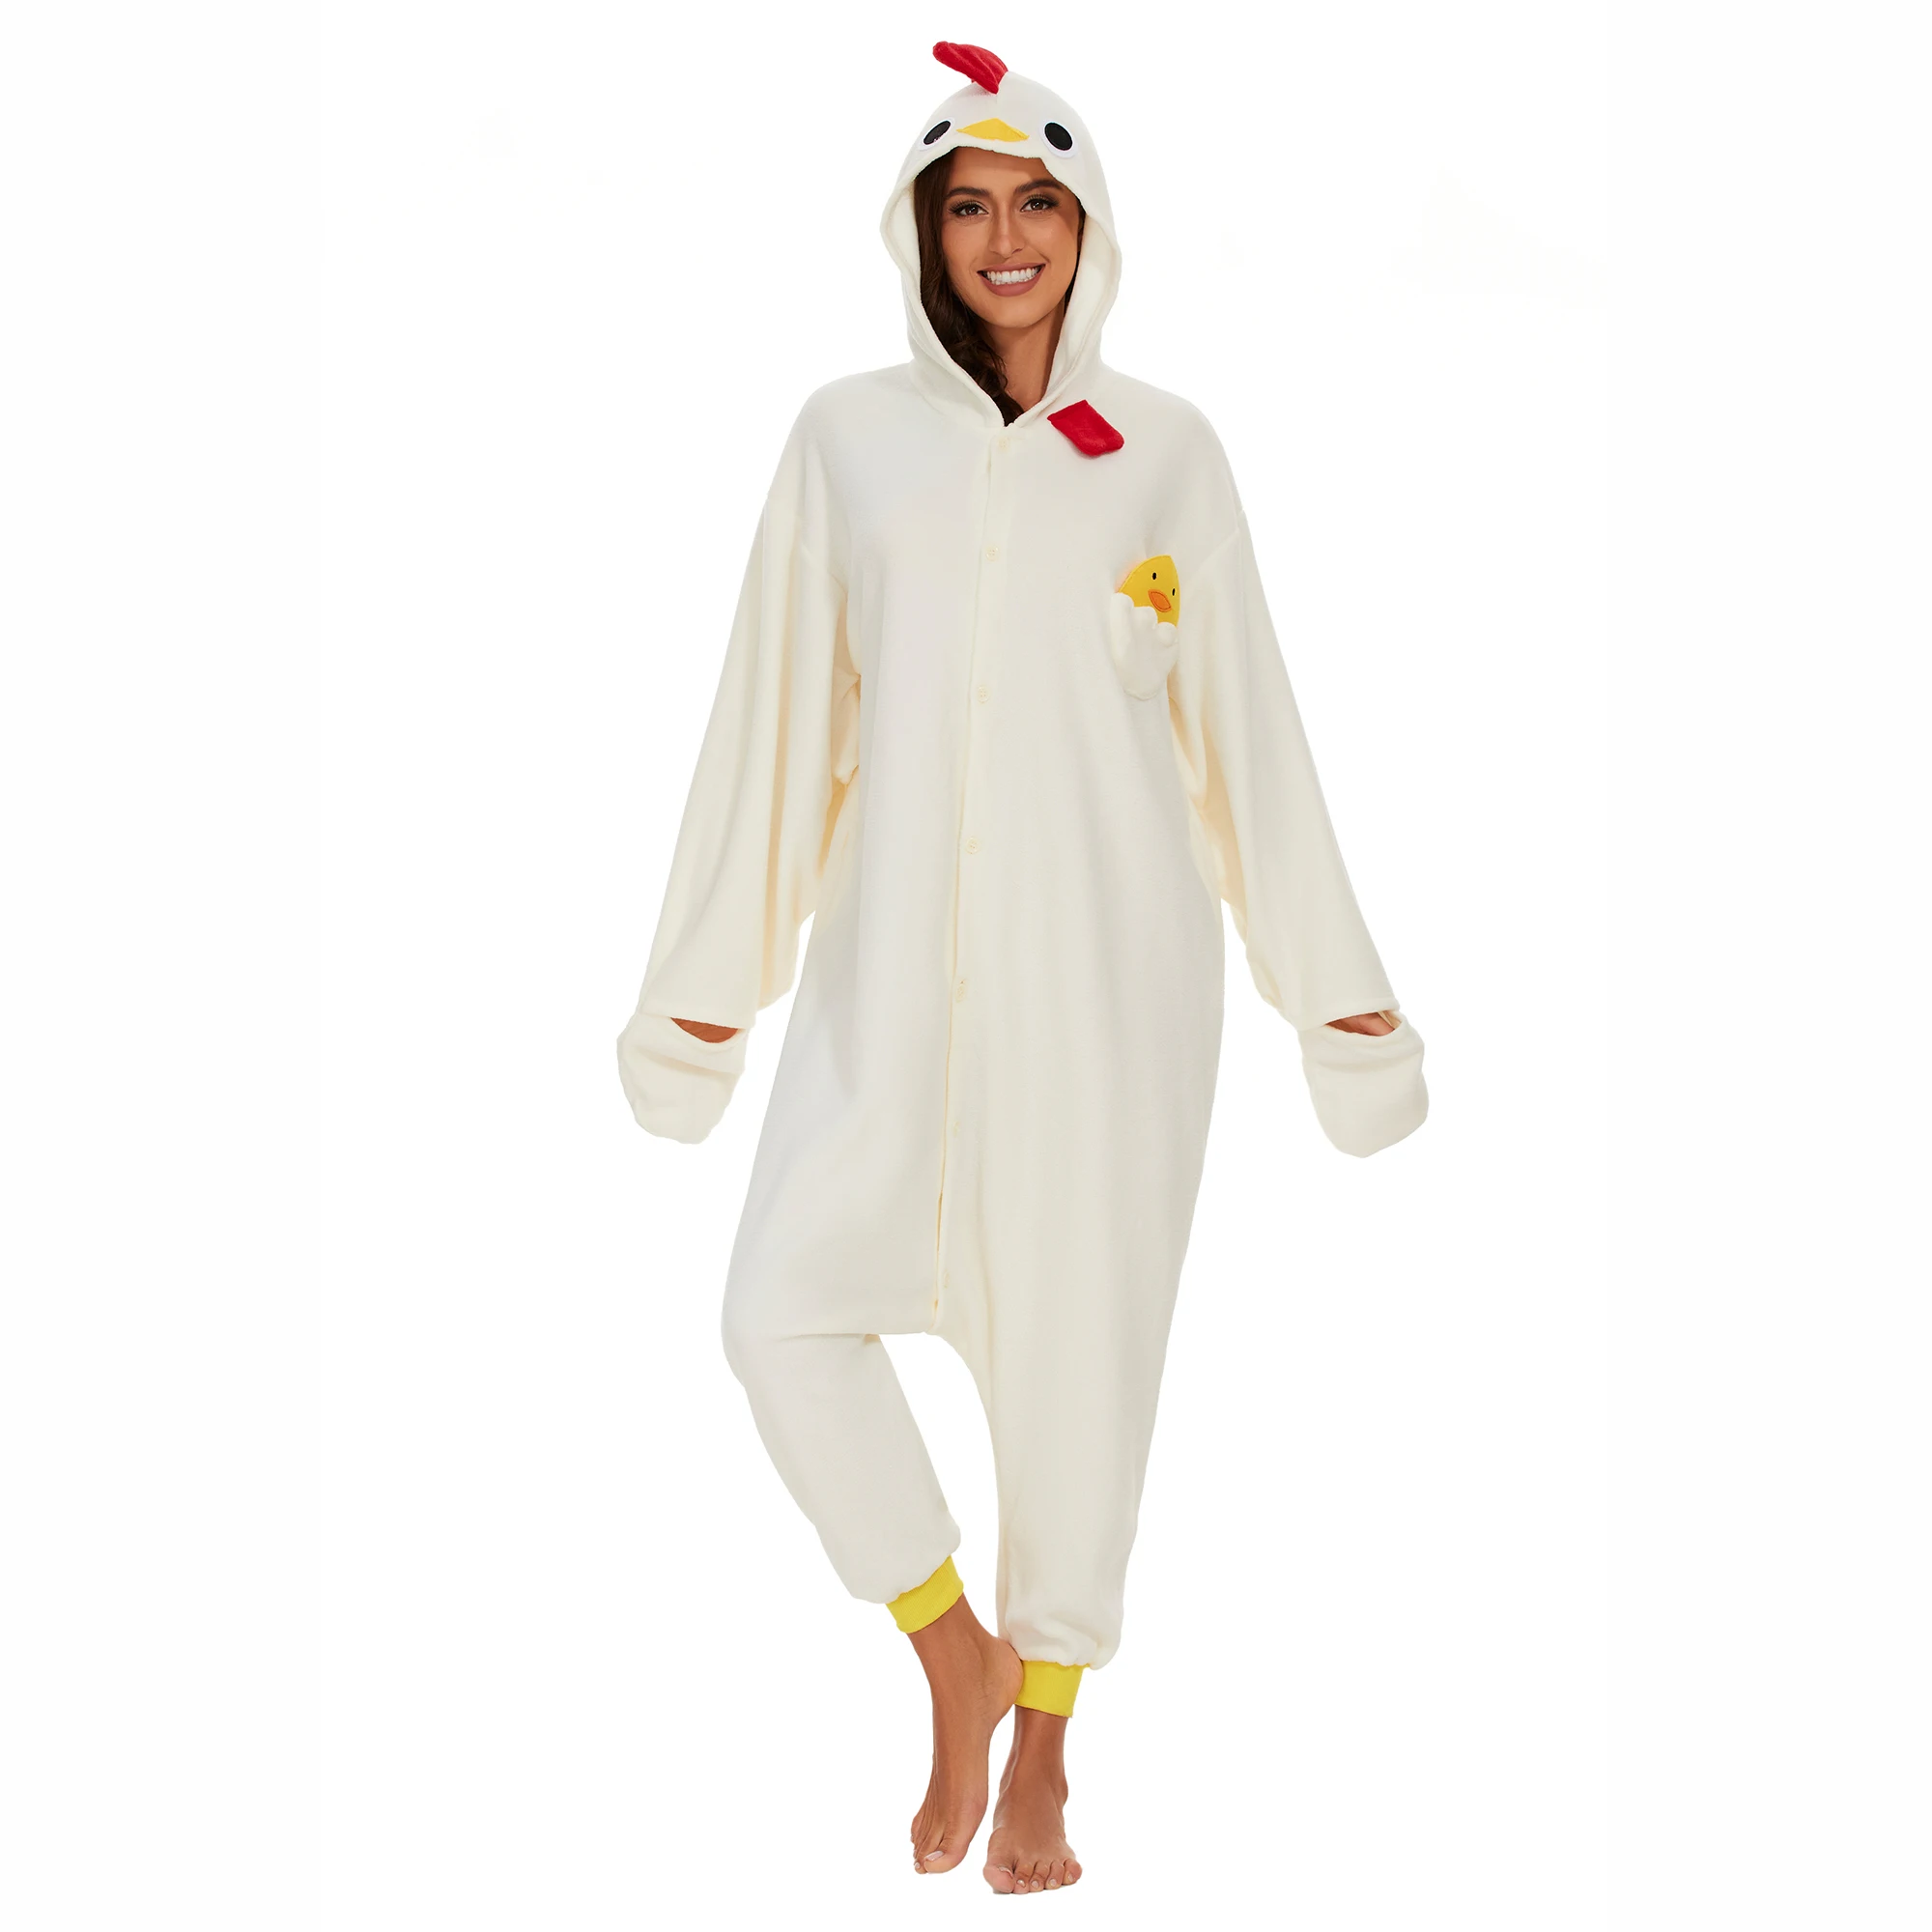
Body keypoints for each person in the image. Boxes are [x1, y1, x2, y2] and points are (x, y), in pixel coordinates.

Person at [615, 42, 1428, 1895]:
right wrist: (707, 988)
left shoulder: (1169, 455)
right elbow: (772, 725)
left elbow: (1247, 740)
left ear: (1089, 225)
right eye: (970, 206)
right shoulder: (845, 441)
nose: (1005, 238)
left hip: (1105, 989)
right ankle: (951, 1651)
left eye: (1038, 203)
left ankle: (1049, 1739)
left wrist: (1337, 994)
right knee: (775, 1314)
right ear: (922, 230)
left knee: (1080, 1363)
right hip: (888, 979)